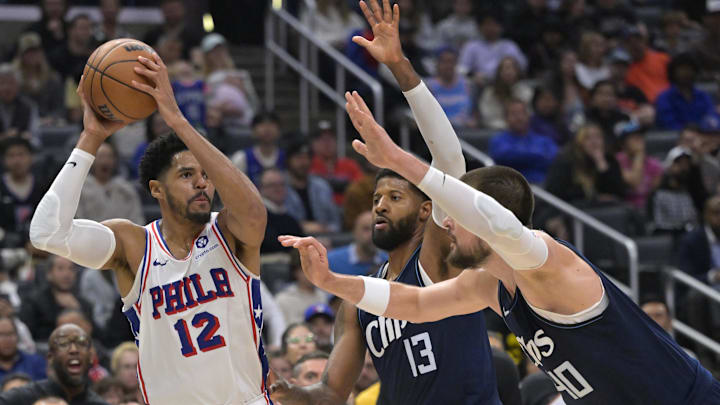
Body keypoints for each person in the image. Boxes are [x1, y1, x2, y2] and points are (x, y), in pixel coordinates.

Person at [284, 84, 720, 403]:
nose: (447, 223)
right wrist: (331, 279)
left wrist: (397, 158)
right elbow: (413, 304)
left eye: (457, 216)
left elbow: (490, 217)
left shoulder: (545, 262)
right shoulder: (488, 285)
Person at [270, 2, 500, 404]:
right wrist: (284, 389)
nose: (379, 206)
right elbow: (330, 392)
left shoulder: (439, 257)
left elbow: (450, 160)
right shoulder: (358, 300)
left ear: (427, 209)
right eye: (377, 199)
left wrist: (400, 68)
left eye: (395, 198)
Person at [28, 52, 271, 404]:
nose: (203, 184)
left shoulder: (230, 232)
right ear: (156, 189)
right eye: (187, 175)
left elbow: (254, 211)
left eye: (206, 175)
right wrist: (92, 137)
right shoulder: (135, 245)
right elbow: (46, 234)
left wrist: (178, 121)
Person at [0, 324, 108, 404]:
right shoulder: (22, 398)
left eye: (81, 343)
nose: (74, 350)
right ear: (50, 357)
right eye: (63, 343)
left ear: (91, 357)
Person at [20, 255, 94, 343]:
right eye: (60, 268)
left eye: (71, 269)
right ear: (49, 274)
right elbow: (28, 335)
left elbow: (98, 336)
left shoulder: (83, 303)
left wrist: (78, 310)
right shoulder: (33, 301)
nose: (67, 274)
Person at [488, 99, 558, 184]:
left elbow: (555, 158)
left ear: (528, 116)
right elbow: (504, 156)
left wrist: (522, 158)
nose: (519, 117)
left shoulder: (544, 140)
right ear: (506, 118)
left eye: (522, 113)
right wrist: (537, 156)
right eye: (514, 114)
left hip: (543, 188)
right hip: (511, 188)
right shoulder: (498, 141)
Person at [76, 142, 144, 225]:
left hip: (123, 236)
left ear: (115, 161)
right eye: (100, 156)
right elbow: (77, 221)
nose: (105, 161)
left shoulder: (126, 189)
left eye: (109, 157)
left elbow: (137, 220)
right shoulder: (80, 189)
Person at [655, 53, 718, 130]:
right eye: (681, 69)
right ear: (673, 72)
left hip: (703, 136)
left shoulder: (703, 96)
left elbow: (713, 118)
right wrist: (687, 129)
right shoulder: (665, 98)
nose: (686, 73)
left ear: (695, 72)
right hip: (675, 139)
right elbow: (668, 123)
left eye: (689, 69)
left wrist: (703, 126)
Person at [327, 211, 387, 276]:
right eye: (366, 229)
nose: (373, 234)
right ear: (354, 232)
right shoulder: (331, 261)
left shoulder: (388, 263)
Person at [0, 316, 46, 382]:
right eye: (1, 335)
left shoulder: (37, 363)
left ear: (18, 337)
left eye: (10, 334)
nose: (7, 340)